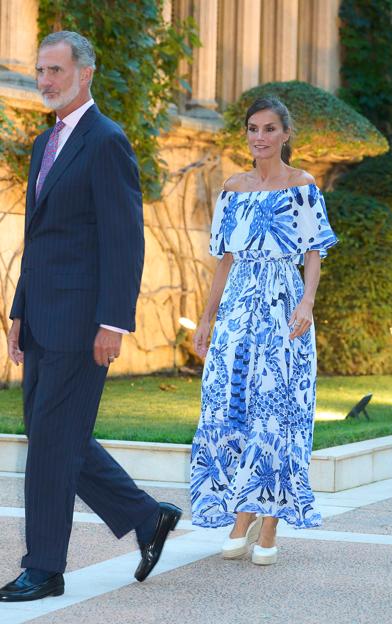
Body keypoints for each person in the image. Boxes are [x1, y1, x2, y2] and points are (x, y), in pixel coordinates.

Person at [1, 31, 181, 603]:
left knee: (52, 445)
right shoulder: (42, 144)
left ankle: (44, 567)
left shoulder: (107, 141)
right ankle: (146, 517)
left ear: (85, 74)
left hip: (83, 325)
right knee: (53, 434)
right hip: (42, 317)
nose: (45, 81)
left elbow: (125, 242)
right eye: (41, 71)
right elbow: (39, 238)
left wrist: (113, 323)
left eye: (55, 70)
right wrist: (19, 312)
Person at [190, 96, 337, 565]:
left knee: (276, 406)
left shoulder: (302, 186)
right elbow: (223, 260)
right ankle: (241, 510)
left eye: (270, 129)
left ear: (286, 134)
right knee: (229, 403)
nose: (260, 137)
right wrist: (208, 318)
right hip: (238, 307)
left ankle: (268, 518)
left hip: (282, 305)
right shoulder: (233, 188)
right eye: (253, 128)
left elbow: (313, 250)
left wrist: (307, 302)